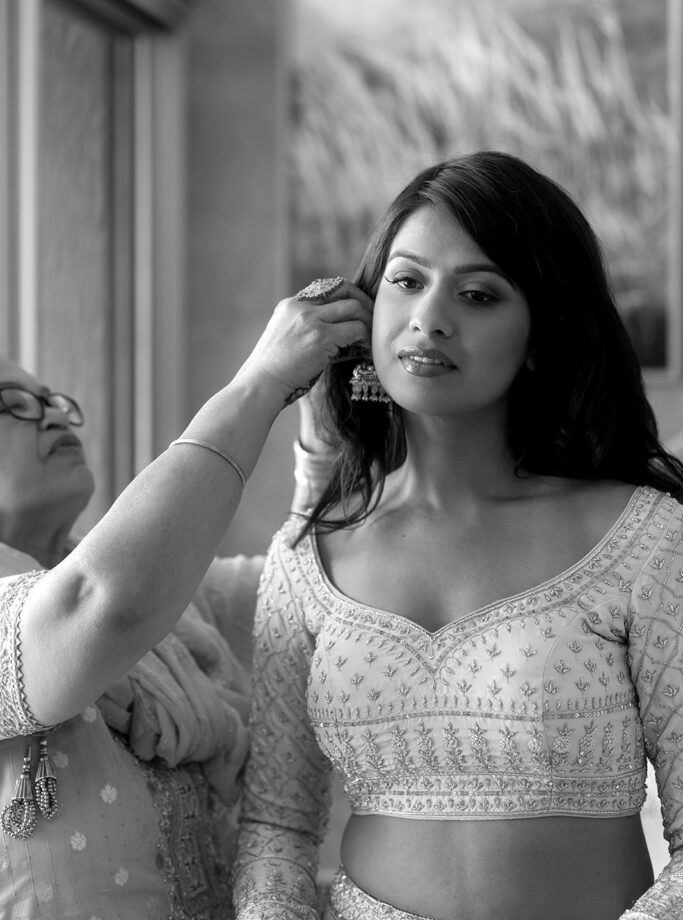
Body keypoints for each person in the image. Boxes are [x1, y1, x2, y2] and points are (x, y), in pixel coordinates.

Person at [233, 151, 683, 920]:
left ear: (542, 333)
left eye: (477, 294)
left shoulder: (643, 538)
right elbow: (275, 828)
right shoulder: (309, 556)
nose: (429, 318)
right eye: (406, 281)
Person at [0, 281, 371, 920]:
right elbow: (101, 604)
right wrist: (259, 384)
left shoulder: (180, 604)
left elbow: (320, 585)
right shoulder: (116, 600)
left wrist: (324, 429)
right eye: (12, 402)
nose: (54, 412)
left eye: (51, 398)